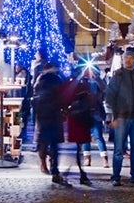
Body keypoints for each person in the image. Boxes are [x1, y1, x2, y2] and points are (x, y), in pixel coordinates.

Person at [104, 48, 134, 185]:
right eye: (126, 57)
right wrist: (111, 117)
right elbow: (109, 98)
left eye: (131, 57)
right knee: (119, 149)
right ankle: (116, 176)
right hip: (121, 117)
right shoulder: (117, 76)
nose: (128, 59)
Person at [32, 57, 71, 186]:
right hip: (54, 115)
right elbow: (64, 97)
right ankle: (54, 169)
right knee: (54, 144)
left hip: (43, 115)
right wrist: (64, 111)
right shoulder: (58, 80)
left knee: (43, 141)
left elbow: (35, 96)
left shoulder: (39, 80)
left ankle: (43, 164)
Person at [62, 70, 99, 186]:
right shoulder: (85, 85)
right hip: (81, 118)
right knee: (76, 149)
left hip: (76, 119)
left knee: (74, 149)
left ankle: (70, 174)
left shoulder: (71, 85)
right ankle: (76, 174)